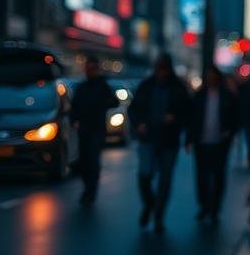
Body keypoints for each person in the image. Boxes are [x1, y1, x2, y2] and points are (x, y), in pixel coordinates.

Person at [128, 55, 191, 234]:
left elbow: (187, 112)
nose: (161, 71)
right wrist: (139, 124)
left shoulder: (177, 88)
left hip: (168, 140)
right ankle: (150, 204)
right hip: (148, 138)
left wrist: (175, 119)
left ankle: (158, 216)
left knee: (165, 180)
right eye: (158, 67)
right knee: (144, 175)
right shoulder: (147, 86)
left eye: (163, 68)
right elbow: (133, 109)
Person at [185, 66, 240, 224]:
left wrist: (229, 133)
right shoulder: (199, 96)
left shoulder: (227, 96)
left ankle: (215, 208)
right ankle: (204, 206)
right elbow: (192, 119)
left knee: (217, 176)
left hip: (220, 143)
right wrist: (189, 139)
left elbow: (235, 117)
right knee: (202, 176)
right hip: (201, 142)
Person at [70, 58, 118, 205]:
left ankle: (91, 191)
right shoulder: (81, 87)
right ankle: (87, 187)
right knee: (84, 161)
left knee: (93, 161)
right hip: (84, 129)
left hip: (97, 130)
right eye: (87, 69)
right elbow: (74, 106)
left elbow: (114, 102)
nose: (89, 72)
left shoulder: (103, 86)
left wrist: (103, 104)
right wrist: (74, 121)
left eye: (92, 69)